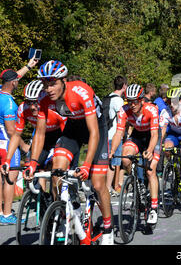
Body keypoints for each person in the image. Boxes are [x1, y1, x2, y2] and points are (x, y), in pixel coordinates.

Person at [21, 60, 113, 244]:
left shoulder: (81, 92)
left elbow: (93, 132)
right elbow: (39, 132)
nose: (49, 88)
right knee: (57, 169)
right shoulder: (43, 99)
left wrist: (86, 165)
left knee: (96, 182)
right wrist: (32, 163)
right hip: (73, 127)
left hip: (97, 128)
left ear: (63, 80)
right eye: (45, 84)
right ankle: (67, 211)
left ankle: (108, 228)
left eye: (53, 83)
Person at [109, 84, 160, 225]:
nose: (132, 105)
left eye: (135, 101)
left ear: (142, 100)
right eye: (129, 101)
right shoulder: (123, 111)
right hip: (137, 135)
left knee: (151, 171)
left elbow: (155, 134)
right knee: (125, 157)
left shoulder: (152, 110)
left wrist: (150, 150)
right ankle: (137, 182)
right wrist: (112, 151)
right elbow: (119, 133)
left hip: (152, 136)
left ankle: (154, 208)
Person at [5, 80, 66, 191]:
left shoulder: (52, 109)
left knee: (56, 167)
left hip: (59, 135)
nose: (32, 107)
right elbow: (16, 135)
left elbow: (67, 132)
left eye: (35, 102)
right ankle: (40, 198)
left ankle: (58, 200)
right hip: (41, 138)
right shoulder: (23, 109)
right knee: (30, 167)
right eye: (29, 102)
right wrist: (7, 160)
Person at [0, 57, 39, 225]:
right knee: (10, 178)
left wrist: (28, 66)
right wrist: (24, 147)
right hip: (8, 144)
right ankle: (7, 213)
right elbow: (11, 131)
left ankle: (1, 211)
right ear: (14, 83)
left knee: (1, 177)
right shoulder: (9, 104)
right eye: (16, 81)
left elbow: (14, 77)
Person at [106, 76, 127, 197]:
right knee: (113, 163)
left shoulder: (108, 97)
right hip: (115, 134)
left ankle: (107, 187)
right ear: (124, 86)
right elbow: (121, 118)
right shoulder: (119, 101)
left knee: (107, 161)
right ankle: (108, 188)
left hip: (106, 134)